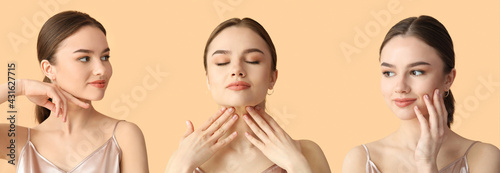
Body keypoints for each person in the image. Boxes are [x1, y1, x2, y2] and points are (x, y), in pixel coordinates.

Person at [165, 18, 331, 173]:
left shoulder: (307, 153)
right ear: (207, 78)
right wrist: (181, 166)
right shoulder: (182, 158)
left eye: (253, 60)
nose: (236, 70)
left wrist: (296, 165)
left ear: (272, 77)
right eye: (222, 62)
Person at [342, 15, 500, 173]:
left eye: (416, 72)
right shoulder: (361, 160)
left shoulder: (483, 157)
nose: (400, 87)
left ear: (448, 79)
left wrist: (427, 162)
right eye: (389, 73)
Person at [0, 11, 149, 173]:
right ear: (49, 69)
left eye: (105, 57)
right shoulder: (21, 140)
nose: (101, 70)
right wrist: (20, 87)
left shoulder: (123, 136)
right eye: (84, 58)